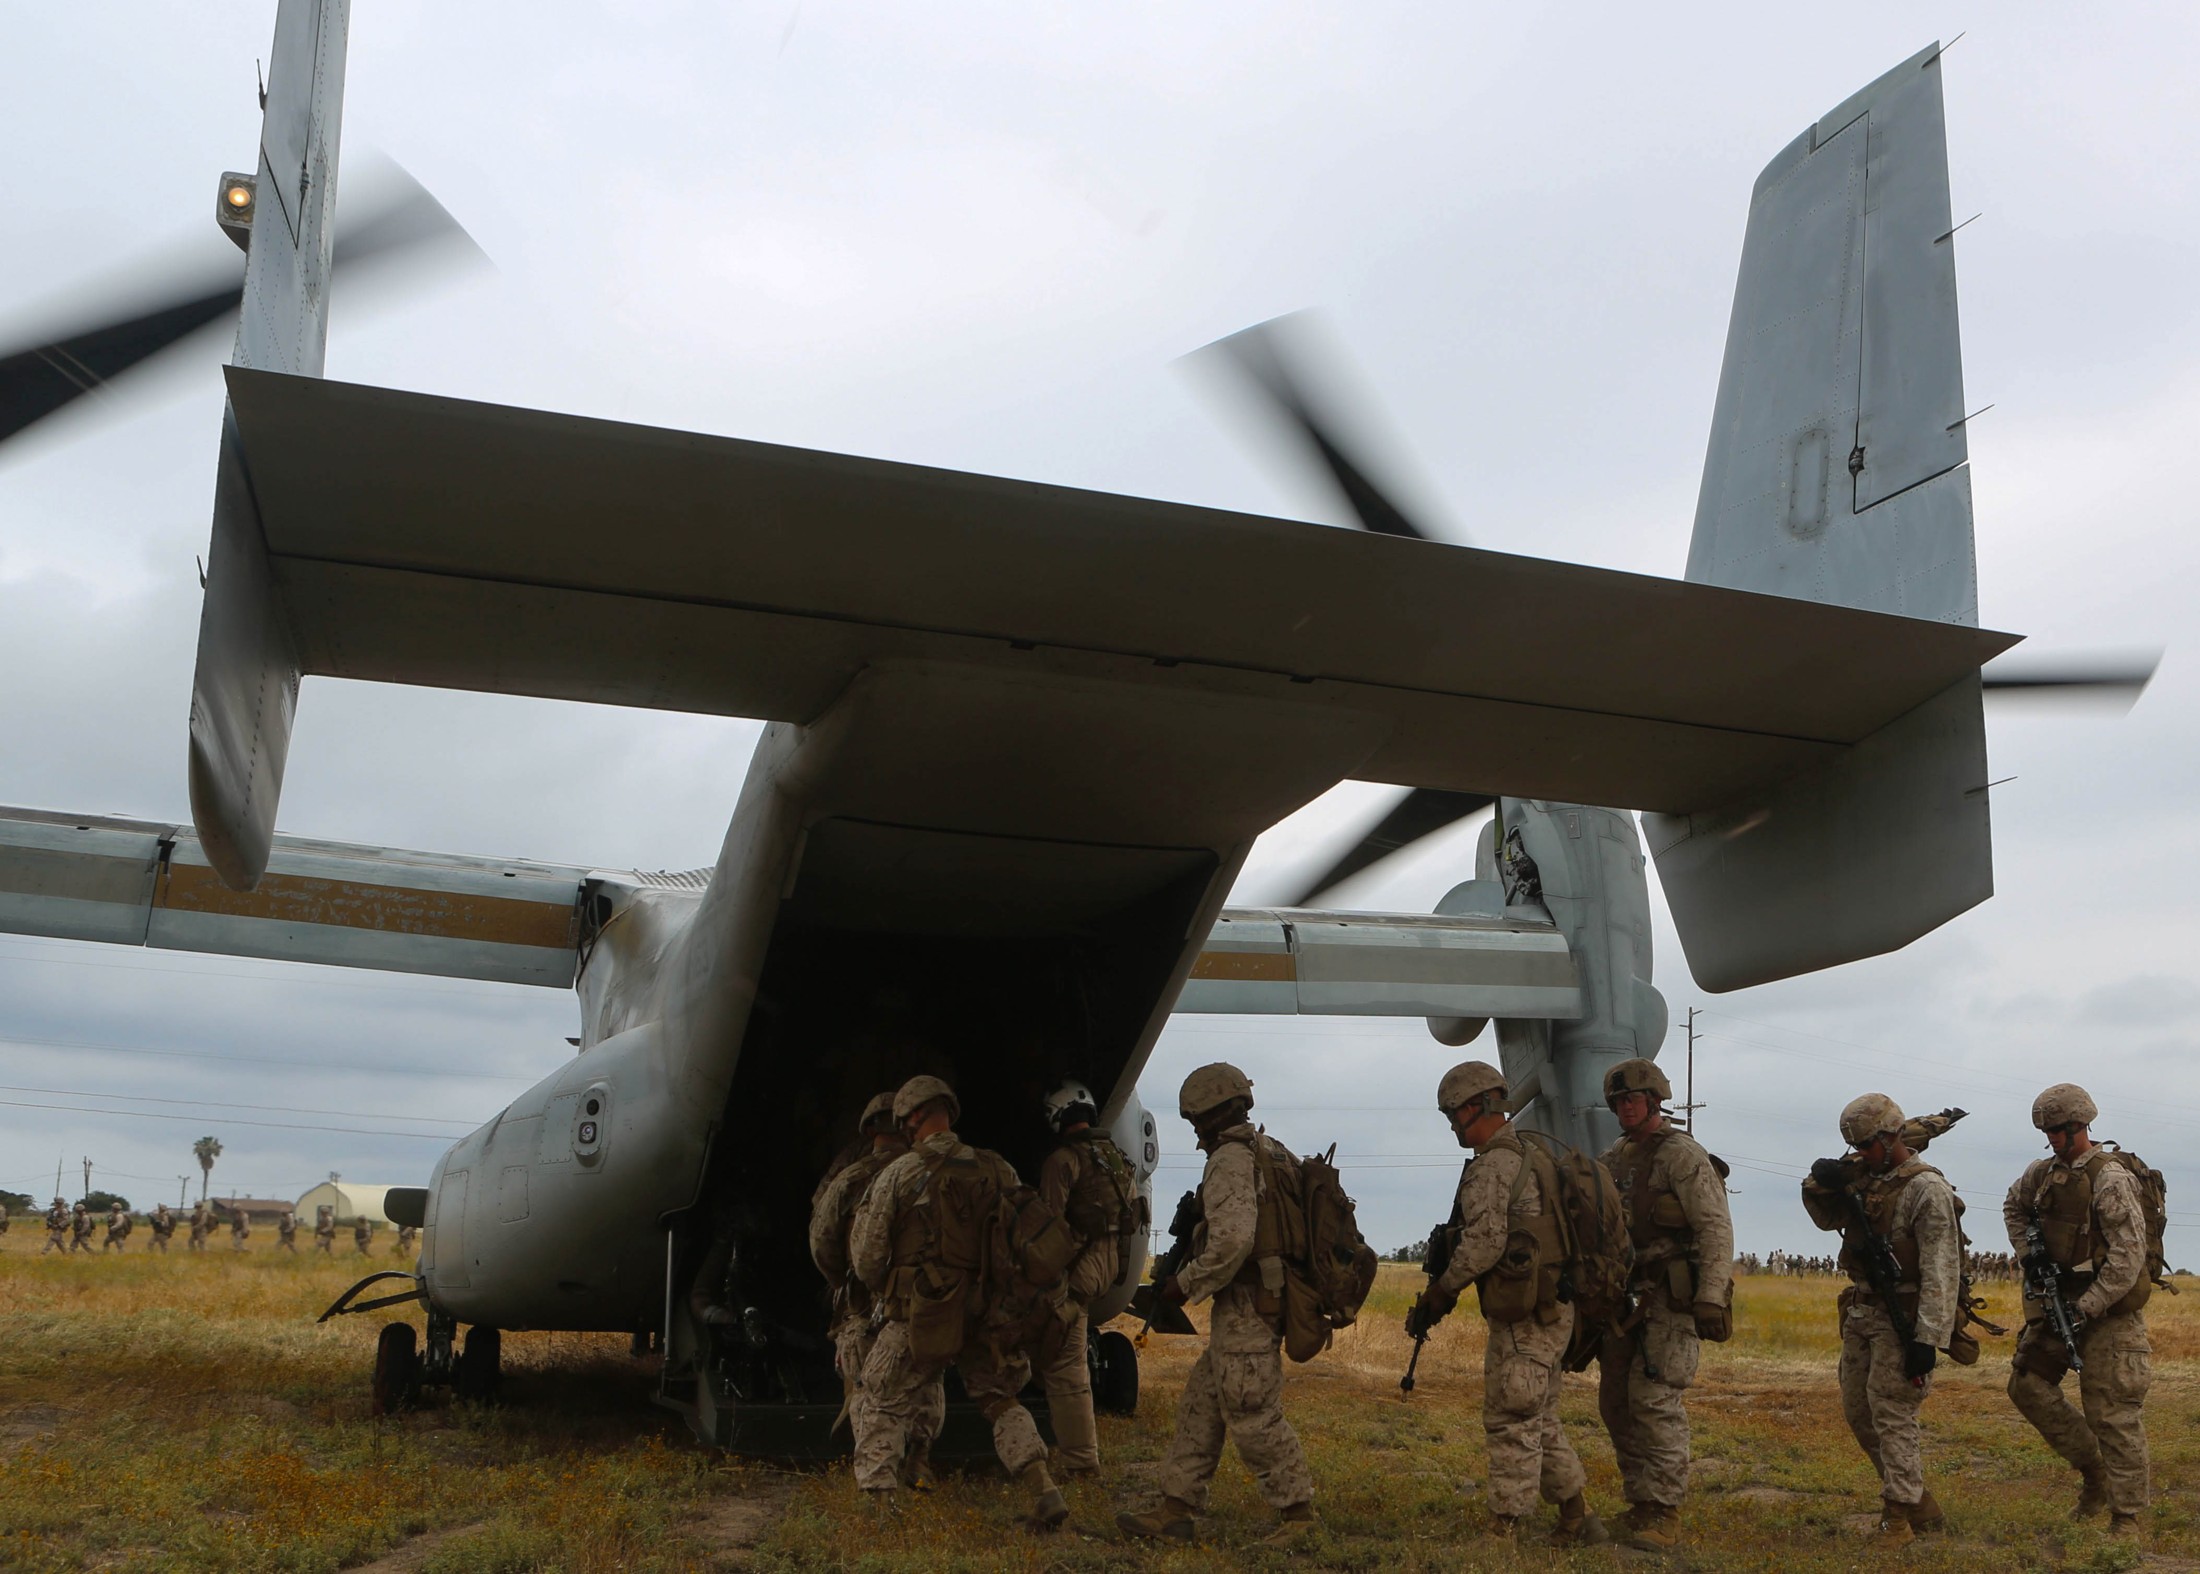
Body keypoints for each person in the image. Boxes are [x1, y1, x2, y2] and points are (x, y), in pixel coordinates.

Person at [850, 1075, 1068, 1531]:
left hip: (922, 1311)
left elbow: (868, 1255)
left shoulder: (901, 1172)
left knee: (883, 1396)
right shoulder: (997, 1167)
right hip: (986, 1310)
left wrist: (884, 1288)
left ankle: (876, 1507)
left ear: (912, 1118)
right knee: (999, 1398)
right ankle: (1042, 1485)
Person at [1403, 1061, 1606, 1547]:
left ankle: (1504, 1528)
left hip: (1526, 1314)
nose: (1453, 1124)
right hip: (1552, 1308)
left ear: (1478, 1107)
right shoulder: (1534, 1153)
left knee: (1511, 1416)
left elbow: (1485, 1243)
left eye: (1454, 1113)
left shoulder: (1494, 1165)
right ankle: (1579, 1517)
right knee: (1540, 1416)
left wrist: (1442, 1289)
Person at [1117, 1062, 1318, 1547]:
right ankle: (1176, 1507)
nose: (1196, 1133)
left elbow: (1232, 1241)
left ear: (1208, 1114)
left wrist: (1183, 1285)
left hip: (1250, 1307)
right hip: (1255, 1304)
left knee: (1252, 1411)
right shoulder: (1270, 1150)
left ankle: (1299, 1518)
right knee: (1202, 1403)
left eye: (1194, 1122)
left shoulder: (1230, 1159)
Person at [1800, 1093, 1960, 1547]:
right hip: (1862, 1309)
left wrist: (1926, 1340)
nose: (1861, 1155)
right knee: (1859, 1410)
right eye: (1855, 1147)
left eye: (1867, 1146)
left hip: (1904, 1315)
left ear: (1892, 1137)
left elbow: (1941, 1270)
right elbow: (1824, 1216)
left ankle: (1898, 1517)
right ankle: (1917, 1499)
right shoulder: (1863, 1178)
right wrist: (1818, 1178)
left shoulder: (1926, 1189)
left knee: (1892, 1412)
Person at [1596, 1058, 1734, 1551]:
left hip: (1670, 1301)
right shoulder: (1615, 1156)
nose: (1624, 1107)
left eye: (1632, 1098)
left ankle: (1665, 1510)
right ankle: (1640, 1502)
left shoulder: (1683, 1156)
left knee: (1656, 1402)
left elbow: (1715, 1227)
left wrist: (1711, 1297)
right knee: (1615, 1403)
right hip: (1622, 1300)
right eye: (1617, 1101)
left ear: (1655, 1100)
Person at [2004, 1083, 2153, 1538]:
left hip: (2108, 1312)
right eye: (2047, 1131)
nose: (2052, 1139)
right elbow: (2013, 1206)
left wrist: (2087, 1305)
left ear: (2080, 1126)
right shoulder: (2041, 1174)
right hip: (2059, 1303)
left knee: (2111, 1413)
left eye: (2059, 1131)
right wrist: (2030, 1255)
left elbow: (2129, 1256)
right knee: (2026, 1385)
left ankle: (2125, 1517)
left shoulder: (2111, 1179)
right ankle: (2095, 1472)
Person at [804, 1093, 926, 1480]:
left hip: (863, 1297)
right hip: (919, 1296)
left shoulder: (849, 1177)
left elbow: (821, 1237)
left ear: (869, 1129)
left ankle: (874, 1474)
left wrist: (843, 1282)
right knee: (921, 1376)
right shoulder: (927, 1172)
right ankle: (918, 1460)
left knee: (865, 1383)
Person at [1036, 1079, 1136, 1480]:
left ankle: (1080, 1462)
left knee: (1066, 1365)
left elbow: (1048, 1226)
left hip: (1079, 1270)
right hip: (1109, 1264)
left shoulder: (1062, 1162)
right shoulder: (1115, 1158)